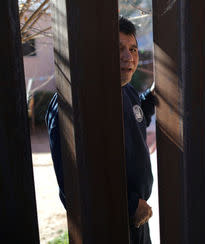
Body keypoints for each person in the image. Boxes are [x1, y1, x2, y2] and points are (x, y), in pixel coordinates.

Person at [45, 17, 156, 244]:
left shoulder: (127, 91)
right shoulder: (71, 103)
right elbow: (73, 183)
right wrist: (129, 206)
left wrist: (152, 99)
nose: (129, 57)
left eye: (133, 49)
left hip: (137, 226)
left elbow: (134, 120)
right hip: (107, 228)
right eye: (119, 49)